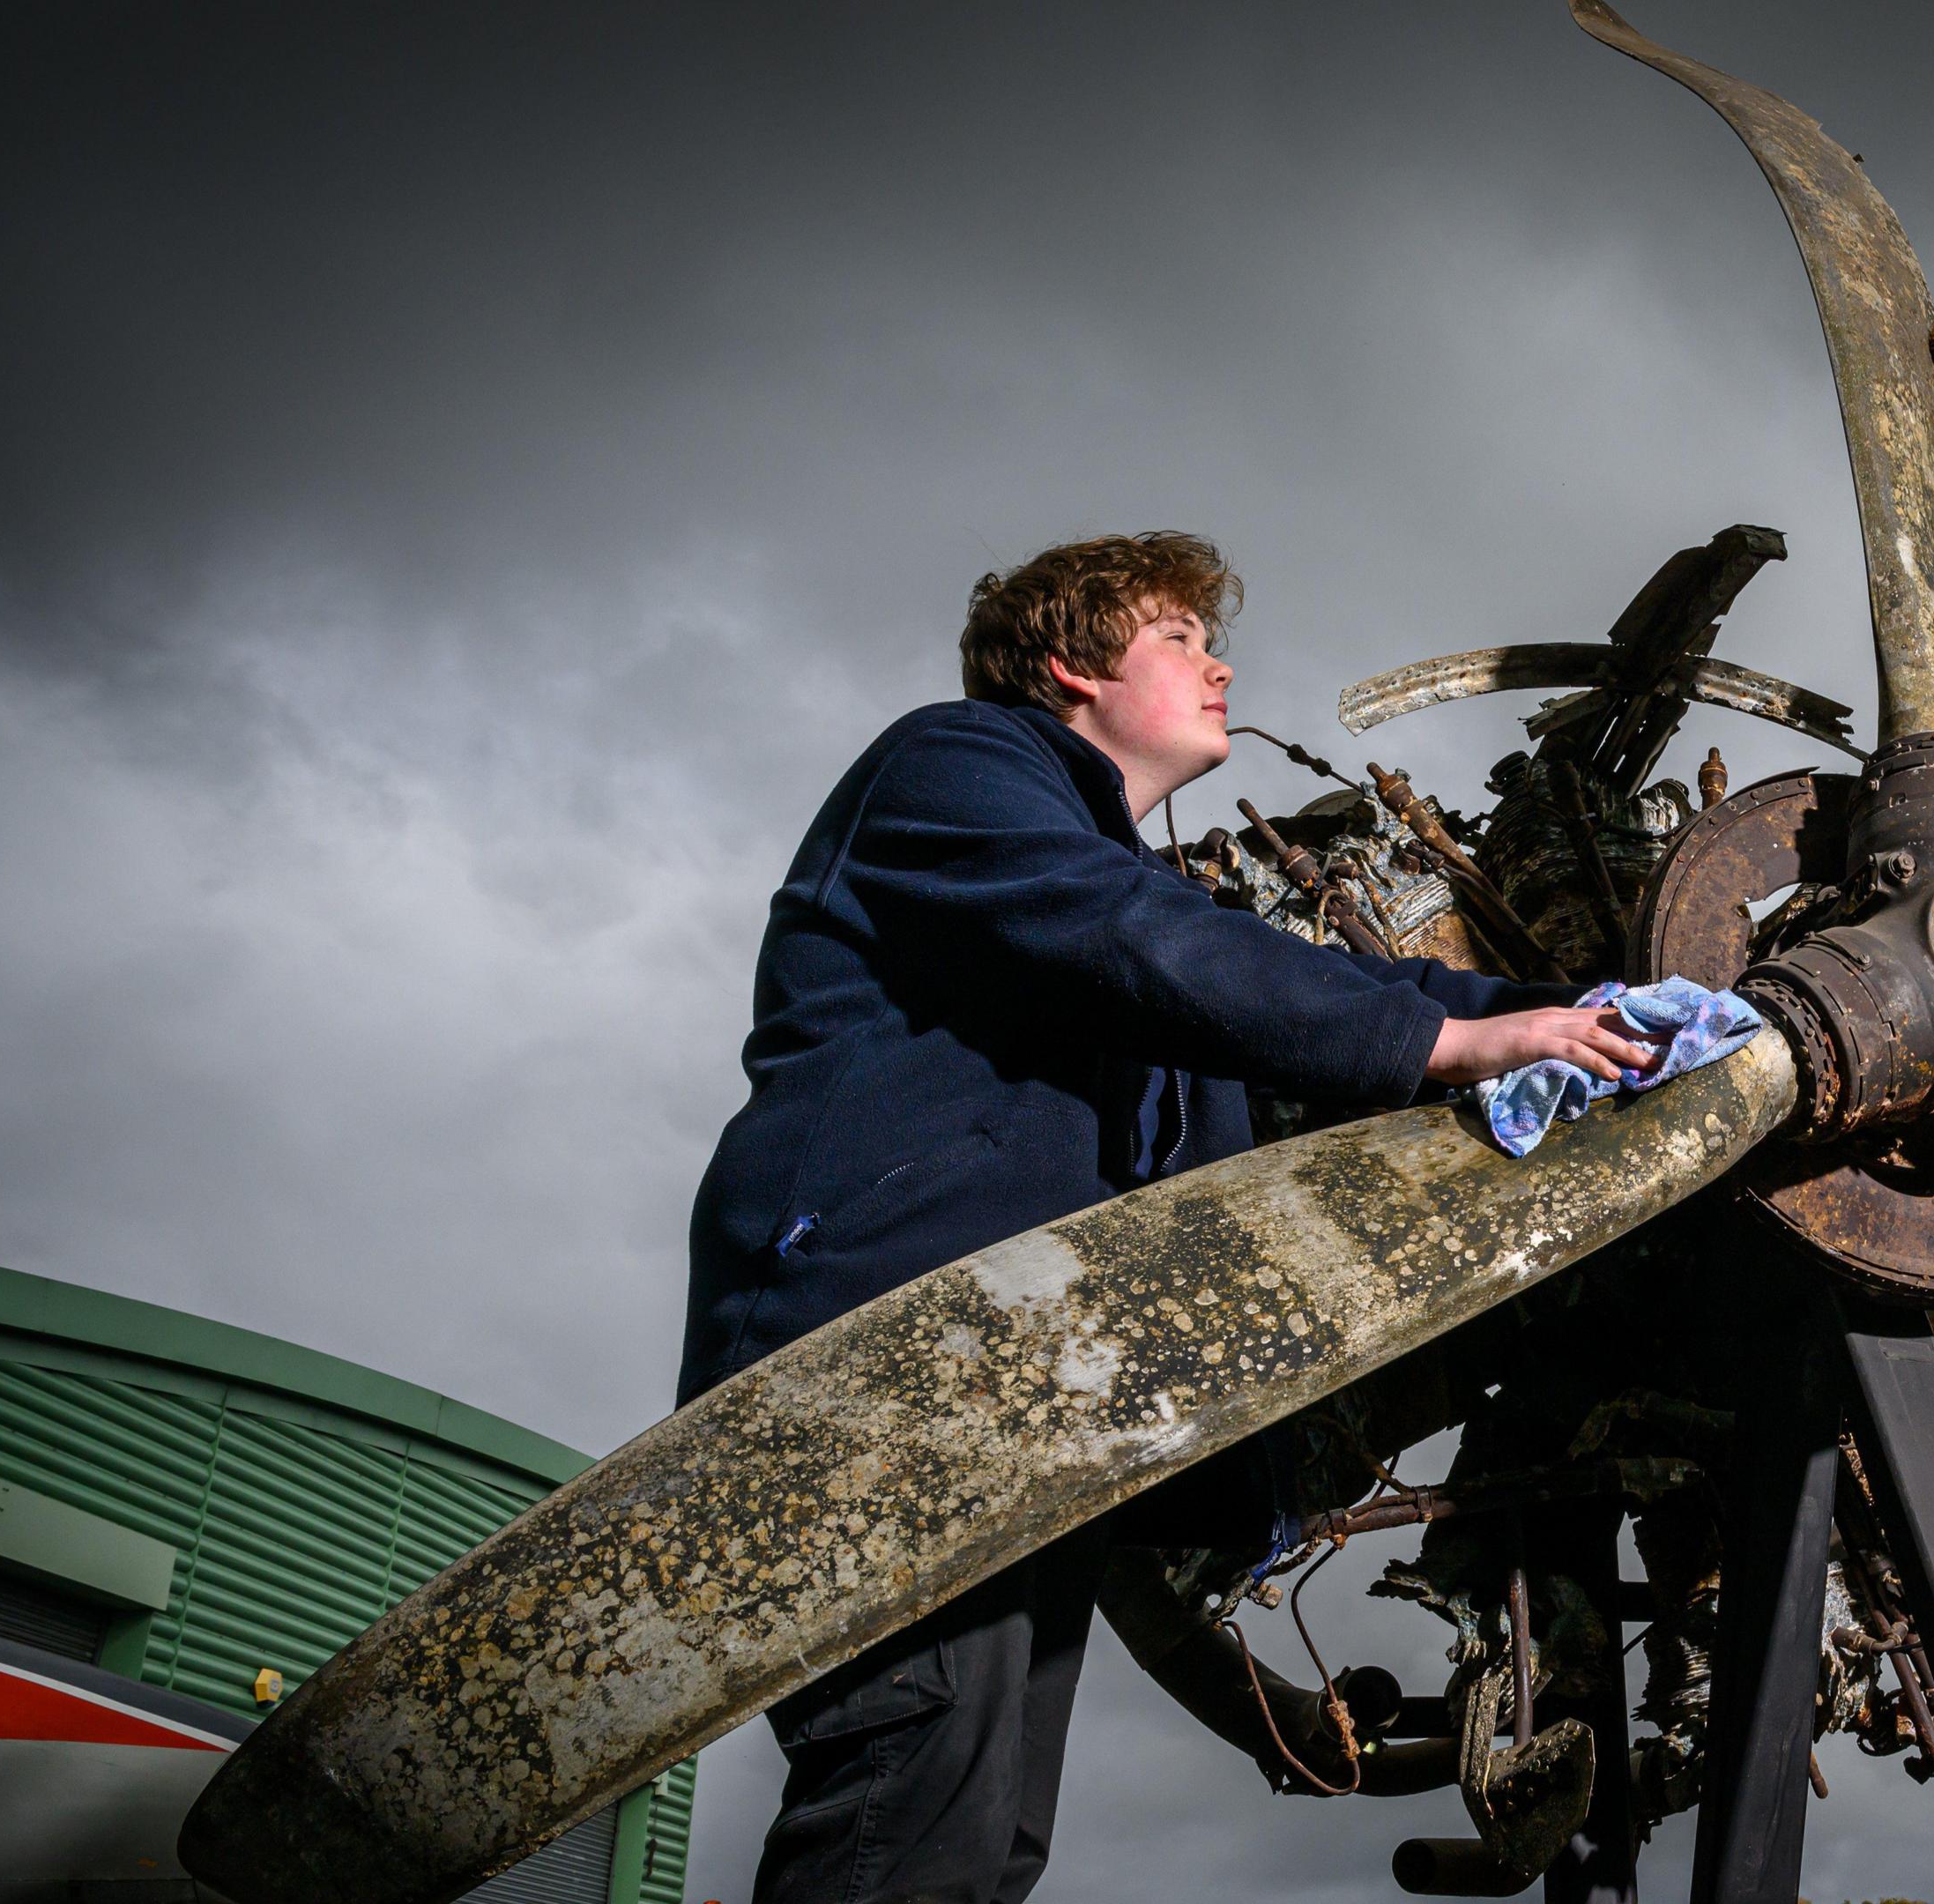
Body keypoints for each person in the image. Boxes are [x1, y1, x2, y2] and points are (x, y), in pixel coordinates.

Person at [681, 531, 1648, 1903]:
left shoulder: (1135, 906)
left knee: (986, 1831)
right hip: (883, 1384)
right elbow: (1164, 953)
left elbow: (1252, 977)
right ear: (1071, 665)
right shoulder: (958, 767)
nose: (1222, 664)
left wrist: (1598, 1024)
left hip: (1016, 1409)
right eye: (1183, 640)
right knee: (910, 1805)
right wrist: (1459, 1049)